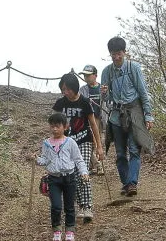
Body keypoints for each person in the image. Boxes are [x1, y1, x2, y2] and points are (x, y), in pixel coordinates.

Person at [100, 36, 154, 196]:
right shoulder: (106, 72)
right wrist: (103, 94)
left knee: (134, 149)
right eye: (113, 54)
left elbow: (143, 93)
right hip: (116, 115)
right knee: (121, 153)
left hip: (135, 113)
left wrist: (148, 115)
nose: (116, 57)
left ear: (124, 52)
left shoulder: (134, 68)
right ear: (110, 54)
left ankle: (132, 184)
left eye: (119, 53)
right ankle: (126, 183)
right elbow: (106, 99)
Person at [53, 73, 103, 222]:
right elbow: (54, 124)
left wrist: (99, 146)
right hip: (66, 143)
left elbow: (93, 124)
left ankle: (87, 206)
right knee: (72, 173)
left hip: (84, 141)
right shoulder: (60, 103)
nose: (65, 92)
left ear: (74, 88)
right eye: (63, 89)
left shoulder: (85, 102)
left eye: (67, 89)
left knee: (83, 171)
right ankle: (80, 204)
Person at [36, 112, 89, 241]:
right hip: (53, 179)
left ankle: (70, 230)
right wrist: (36, 159)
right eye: (52, 126)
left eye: (57, 126)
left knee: (70, 206)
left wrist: (83, 172)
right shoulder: (46, 143)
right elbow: (45, 160)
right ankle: (57, 231)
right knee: (56, 206)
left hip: (69, 178)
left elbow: (78, 159)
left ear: (65, 127)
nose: (54, 129)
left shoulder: (70, 142)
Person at [79, 64, 104, 174]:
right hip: (88, 119)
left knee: (98, 142)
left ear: (95, 76)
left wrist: (105, 94)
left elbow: (107, 102)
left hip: (99, 118)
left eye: (88, 75)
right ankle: (98, 165)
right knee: (91, 142)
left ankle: (93, 164)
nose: (86, 78)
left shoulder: (102, 88)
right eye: (85, 75)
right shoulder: (82, 90)